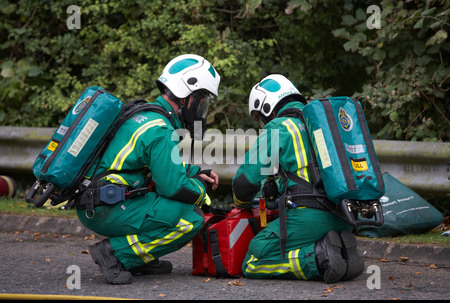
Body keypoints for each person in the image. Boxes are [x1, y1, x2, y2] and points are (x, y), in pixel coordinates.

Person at [76, 54, 221, 284]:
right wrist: (202, 192)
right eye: (201, 100)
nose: (201, 110)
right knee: (190, 218)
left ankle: (140, 258)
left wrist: (192, 172)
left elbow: (156, 166)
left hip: (100, 200)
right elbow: (171, 187)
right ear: (187, 97)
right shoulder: (160, 129)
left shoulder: (145, 115)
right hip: (107, 206)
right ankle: (116, 254)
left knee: (167, 202)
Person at [232, 74, 364, 283]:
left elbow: (245, 181)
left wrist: (241, 202)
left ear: (268, 108)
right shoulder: (325, 124)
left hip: (308, 218)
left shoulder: (280, 127)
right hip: (344, 216)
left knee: (253, 259)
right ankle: (340, 253)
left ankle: (318, 258)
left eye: (261, 116)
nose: (264, 121)